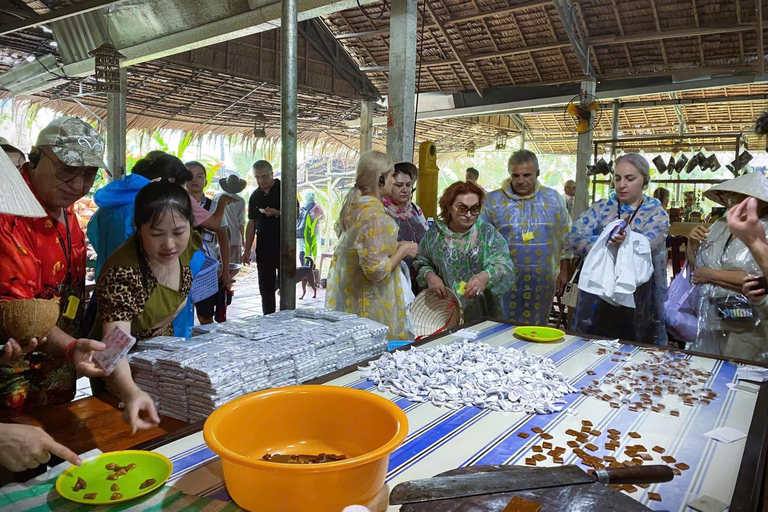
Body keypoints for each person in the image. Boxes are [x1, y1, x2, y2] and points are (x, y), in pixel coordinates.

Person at [0, 116, 157, 433]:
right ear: (36, 157)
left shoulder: (64, 205)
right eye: (67, 170)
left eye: (89, 174)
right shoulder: (12, 213)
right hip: (15, 376)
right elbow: (24, 315)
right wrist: (72, 347)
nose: (77, 185)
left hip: (58, 368)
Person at [567, 153, 669, 344]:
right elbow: (573, 237)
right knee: (593, 345)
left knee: (637, 347)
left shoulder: (656, 213)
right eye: (617, 178)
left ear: (644, 182)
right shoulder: (603, 208)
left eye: (630, 179)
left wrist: (625, 242)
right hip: (598, 293)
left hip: (640, 295)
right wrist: (604, 241)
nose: (622, 185)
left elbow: (650, 243)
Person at [92, 181, 201, 344]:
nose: (169, 245)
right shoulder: (122, 274)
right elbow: (113, 352)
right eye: (157, 234)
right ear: (138, 228)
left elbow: (181, 294)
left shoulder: (187, 244)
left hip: (161, 353)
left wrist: (172, 313)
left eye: (178, 232)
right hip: (123, 362)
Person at [325, 150, 418, 340]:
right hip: (371, 301)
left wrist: (393, 246)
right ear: (381, 179)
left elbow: (364, 249)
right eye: (392, 175)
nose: (394, 182)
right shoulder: (373, 215)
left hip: (354, 294)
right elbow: (376, 271)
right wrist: (404, 250)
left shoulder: (356, 207)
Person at [481, 149, 572, 326]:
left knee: (537, 328)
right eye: (515, 175)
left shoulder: (552, 199)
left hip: (543, 280)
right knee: (501, 327)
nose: (520, 180)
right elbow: (480, 239)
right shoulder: (493, 201)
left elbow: (566, 236)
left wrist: (564, 270)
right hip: (503, 280)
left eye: (526, 175)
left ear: (537, 173)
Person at [687, 173, 768, 362]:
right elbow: (696, 270)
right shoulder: (720, 225)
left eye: (739, 196)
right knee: (708, 371)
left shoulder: (763, 230)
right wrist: (692, 243)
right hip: (711, 317)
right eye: (728, 195)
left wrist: (712, 275)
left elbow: (760, 281)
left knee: (740, 372)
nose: (731, 201)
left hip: (749, 322)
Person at [414, 181, 516, 321]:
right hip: (444, 312)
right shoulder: (434, 236)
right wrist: (429, 275)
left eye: (474, 209)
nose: (469, 215)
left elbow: (504, 264)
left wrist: (486, 276)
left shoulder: (487, 234)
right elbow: (421, 262)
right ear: (449, 207)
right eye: (462, 209)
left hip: (482, 311)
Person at [186, 161, 232, 325]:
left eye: (200, 176)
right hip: (180, 268)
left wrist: (225, 270)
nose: (195, 179)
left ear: (205, 181)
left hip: (207, 269)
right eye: (190, 175)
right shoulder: (177, 204)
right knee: (179, 315)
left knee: (205, 315)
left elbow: (223, 239)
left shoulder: (214, 207)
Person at [382, 162, 428, 294]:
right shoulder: (381, 211)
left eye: (408, 185)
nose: (405, 189)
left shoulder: (415, 210)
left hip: (415, 279)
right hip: (390, 279)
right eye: (398, 185)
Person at [244, 160, 281, 315]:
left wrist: (278, 213)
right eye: (257, 177)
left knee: (286, 284)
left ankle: (288, 317)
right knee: (265, 286)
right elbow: (251, 223)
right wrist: (246, 250)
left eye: (264, 177)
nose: (261, 181)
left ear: (272, 174)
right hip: (264, 246)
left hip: (285, 246)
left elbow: (296, 213)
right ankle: (269, 317)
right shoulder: (255, 196)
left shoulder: (283, 189)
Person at [215, 173, 248, 267]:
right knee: (233, 266)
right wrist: (242, 239)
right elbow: (241, 222)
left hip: (218, 236)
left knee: (219, 266)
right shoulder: (240, 200)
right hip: (234, 237)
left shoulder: (217, 197)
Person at [297, 190, 324, 265]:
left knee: (301, 249)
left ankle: (302, 265)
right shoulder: (317, 207)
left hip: (300, 230)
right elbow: (323, 217)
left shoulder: (301, 205)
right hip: (312, 231)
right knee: (310, 249)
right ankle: (309, 267)